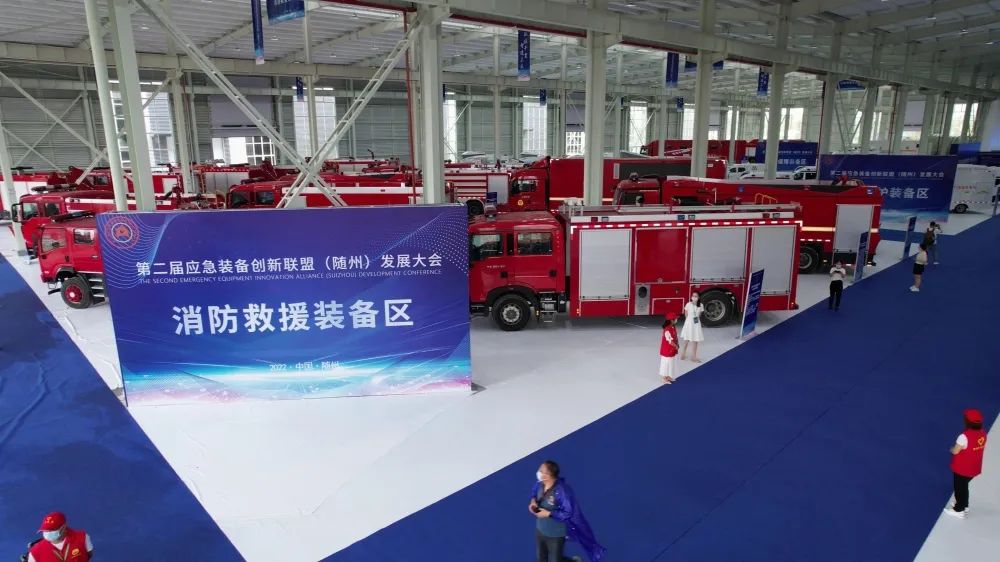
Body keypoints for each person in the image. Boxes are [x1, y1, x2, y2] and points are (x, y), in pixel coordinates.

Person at [529, 460, 605, 562]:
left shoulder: (563, 491)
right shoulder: (540, 483)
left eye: (541, 471)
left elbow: (568, 513)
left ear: (548, 475)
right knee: (541, 559)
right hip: (540, 530)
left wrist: (548, 514)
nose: (538, 472)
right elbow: (534, 492)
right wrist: (533, 501)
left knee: (556, 560)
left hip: (555, 534)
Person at [944, 409, 988, 519]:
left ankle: (959, 510)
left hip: (962, 468)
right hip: (974, 467)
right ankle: (965, 505)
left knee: (959, 488)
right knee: (964, 486)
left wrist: (951, 449)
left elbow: (956, 451)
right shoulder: (983, 433)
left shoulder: (964, 436)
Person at [25, 512, 93, 562]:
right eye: (45, 530)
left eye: (52, 530)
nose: (48, 533)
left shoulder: (82, 537)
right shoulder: (35, 552)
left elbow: (89, 555)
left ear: (64, 527)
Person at [679, 293, 704, 362]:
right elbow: (686, 314)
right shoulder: (688, 304)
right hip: (689, 323)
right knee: (686, 339)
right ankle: (683, 353)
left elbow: (699, 315)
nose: (694, 297)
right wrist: (688, 322)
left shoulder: (701, 305)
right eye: (693, 296)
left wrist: (695, 319)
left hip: (696, 324)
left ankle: (693, 357)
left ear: (698, 297)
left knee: (695, 340)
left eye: (696, 296)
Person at [659, 313, 679, 384]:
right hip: (667, 350)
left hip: (671, 350)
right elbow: (669, 341)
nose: (676, 320)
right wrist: (676, 346)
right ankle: (664, 378)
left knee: (670, 363)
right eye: (675, 319)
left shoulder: (672, 327)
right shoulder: (667, 329)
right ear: (671, 320)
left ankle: (668, 376)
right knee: (666, 363)